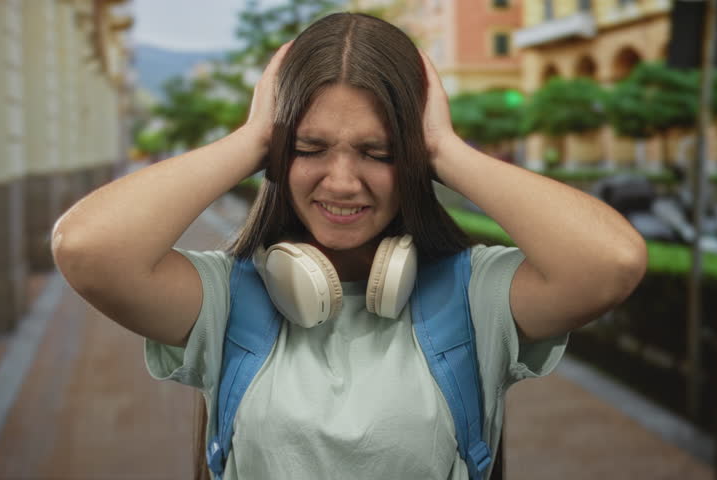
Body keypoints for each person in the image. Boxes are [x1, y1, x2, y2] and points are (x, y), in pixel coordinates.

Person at [51, 12, 647, 480]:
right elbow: (85, 248)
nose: (341, 181)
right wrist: (254, 135)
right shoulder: (226, 301)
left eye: (379, 152)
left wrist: (443, 148)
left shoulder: (475, 298)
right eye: (309, 149)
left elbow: (611, 262)